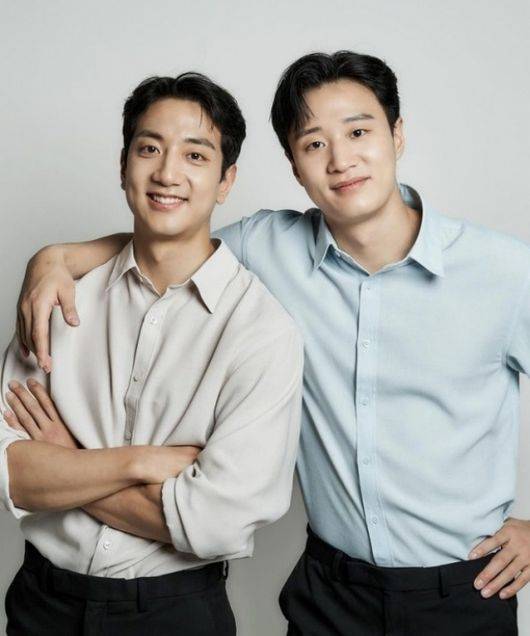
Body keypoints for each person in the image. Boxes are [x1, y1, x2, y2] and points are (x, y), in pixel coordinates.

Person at [10, 50, 530, 635]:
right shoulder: (269, 246)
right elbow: (167, 232)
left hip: (465, 587)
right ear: (294, 166)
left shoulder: (504, 271)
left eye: (359, 132)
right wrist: (53, 259)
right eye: (314, 143)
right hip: (330, 594)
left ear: (398, 135)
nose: (341, 160)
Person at [0, 72, 304, 635]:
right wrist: (137, 462)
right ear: (123, 166)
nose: (167, 173)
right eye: (149, 149)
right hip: (42, 603)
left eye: (196, 155)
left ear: (226, 180)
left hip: (175, 613)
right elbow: (13, 475)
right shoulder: (57, 299)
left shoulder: (262, 331)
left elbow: (217, 524)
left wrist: (68, 460)